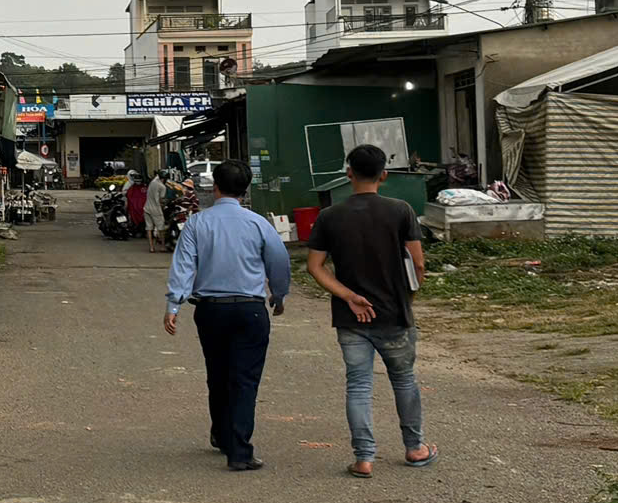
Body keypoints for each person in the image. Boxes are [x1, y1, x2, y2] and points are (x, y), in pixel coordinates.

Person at [305, 143, 431, 477]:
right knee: (403, 380)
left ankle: (364, 458)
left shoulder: (329, 216)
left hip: (351, 318)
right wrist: (408, 298)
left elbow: (315, 267)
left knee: (358, 386)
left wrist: (348, 296)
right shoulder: (401, 211)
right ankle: (415, 448)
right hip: (394, 314)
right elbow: (418, 264)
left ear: (349, 174)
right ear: (384, 175)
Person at [163, 158, 291, 471]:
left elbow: (184, 265)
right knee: (245, 379)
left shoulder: (197, 223)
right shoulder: (259, 223)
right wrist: (278, 295)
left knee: (218, 373)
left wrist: (174, 304)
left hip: (211, 311)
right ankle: (240, 451)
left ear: (215, 187)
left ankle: (222, 435)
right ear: (245, 190)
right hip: (250, 310)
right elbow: (279, 261)